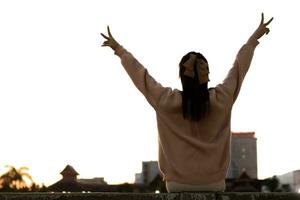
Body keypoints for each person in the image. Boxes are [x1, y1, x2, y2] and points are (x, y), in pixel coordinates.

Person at [101, 13, 273, 192]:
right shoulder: (222, 98)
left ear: (182, 76)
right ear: (207, 75)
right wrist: (253, 39)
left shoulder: (166, 101)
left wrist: (118, 49)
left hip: (176, 184)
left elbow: (141, 75)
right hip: (214, 183)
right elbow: (239, 67)